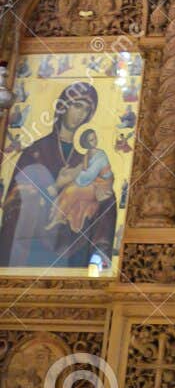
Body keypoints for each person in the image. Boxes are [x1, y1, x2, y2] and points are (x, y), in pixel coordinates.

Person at [0, 83, 116, 270]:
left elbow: (105, 198)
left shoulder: (87, 156)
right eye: (77, 106)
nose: (81, 115)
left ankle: (98, 260)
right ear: (63, 107)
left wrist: (100, 193)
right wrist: (56, 185)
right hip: (34, 240)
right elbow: (14, 201)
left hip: (75, 240)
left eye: (86, 110)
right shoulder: (36, 151)